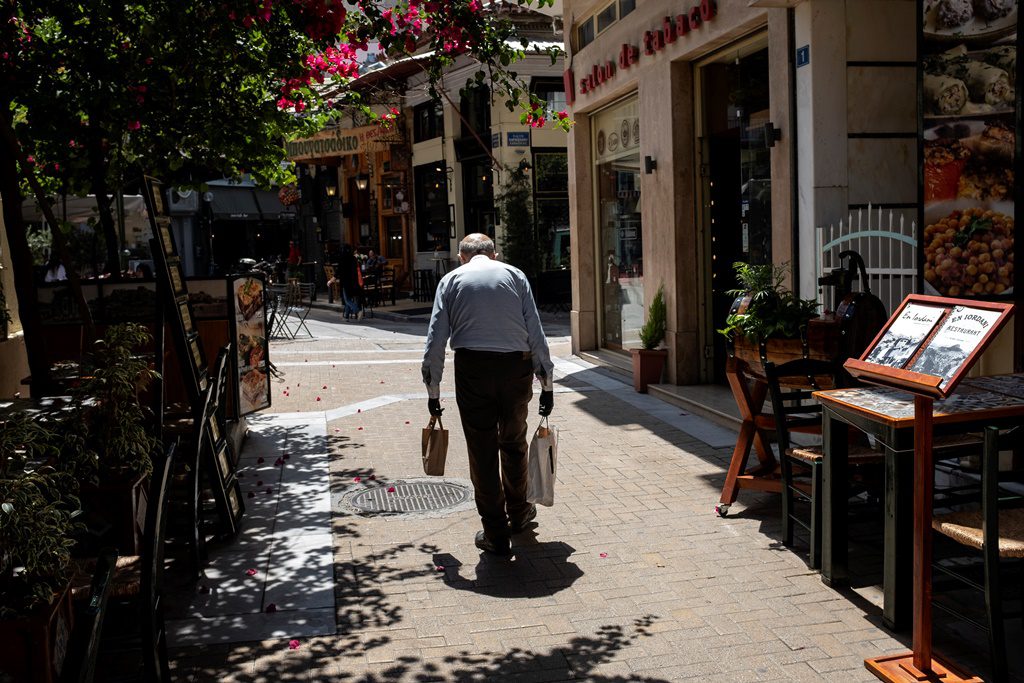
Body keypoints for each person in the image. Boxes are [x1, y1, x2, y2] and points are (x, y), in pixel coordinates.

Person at [422, 233, 554, 556]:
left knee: (481, 449)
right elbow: (535, 332)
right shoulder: (515, 276)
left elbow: (435, 341)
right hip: (515, 370)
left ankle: (495, 532)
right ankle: (520, 513)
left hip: (473, 371)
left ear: (461, 257)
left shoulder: (450, 281)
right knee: (513, 442)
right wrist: (546, 384)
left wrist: (433, 391)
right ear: (494, 255)